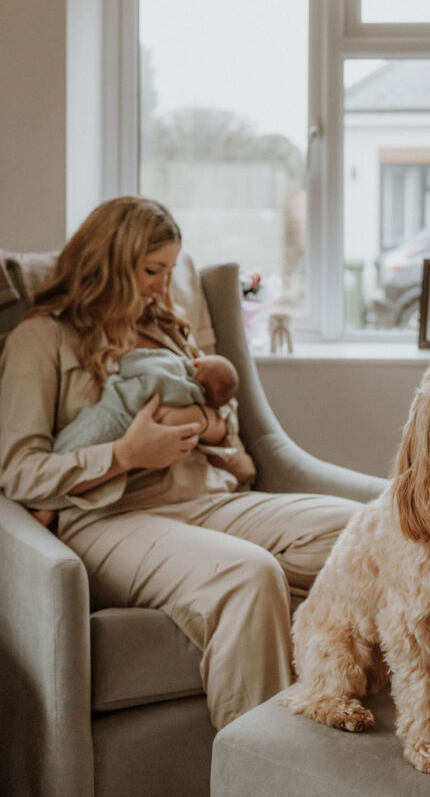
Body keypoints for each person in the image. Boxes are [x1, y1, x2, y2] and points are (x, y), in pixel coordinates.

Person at [0, 196, 359, 731]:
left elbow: (224, 426)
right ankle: (262, 771)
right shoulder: (42, 337)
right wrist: (123, 455)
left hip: (208, 499)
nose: (162, 287)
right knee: (247, 574)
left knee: (364, 530)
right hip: (111, 518)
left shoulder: (168, 329)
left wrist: (210, 427)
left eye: (169, 271)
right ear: (108, 263)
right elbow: (18, 471)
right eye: (151, 270)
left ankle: (347, 667)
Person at [54, 348, 240, 452]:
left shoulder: (171, 361)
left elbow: (130, 363)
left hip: (112, 410)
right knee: (84, 455)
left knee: (67, 449)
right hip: (126, 431)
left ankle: (45, 501)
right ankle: (49, 508)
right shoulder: (188, 400)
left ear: (196, 362)